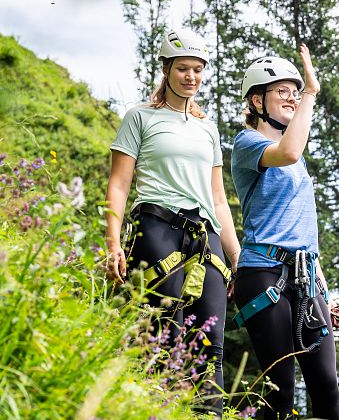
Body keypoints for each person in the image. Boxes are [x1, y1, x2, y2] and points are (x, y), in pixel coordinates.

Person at [104, 28, 241, 416]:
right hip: (157, 228)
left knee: (210, 341)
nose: (191, 77)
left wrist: (235, 255)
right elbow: (119, 184)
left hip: (205, 237)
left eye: (198, 70)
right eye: (183, 69)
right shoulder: (140, 118)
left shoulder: (207, 127)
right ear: (166, 69)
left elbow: (218, 198)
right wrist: (113, 243)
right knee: (162, 334)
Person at [230, 45, 339, 420]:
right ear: (256, 100)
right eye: (283, 91)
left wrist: (325, 293)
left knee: (327, 387)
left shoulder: (296, 159)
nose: (293, 98)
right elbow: (289, 151)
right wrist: (311, 91)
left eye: (296, 92)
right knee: (280, 390)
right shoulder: (248, 145)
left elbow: (305, 235)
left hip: (305, 275)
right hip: (264, 273)